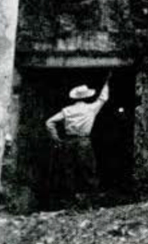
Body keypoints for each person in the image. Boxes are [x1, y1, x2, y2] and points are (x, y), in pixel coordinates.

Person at [45, 74, 110, 202]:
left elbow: (49, 122)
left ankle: (70, 200)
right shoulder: (91, 108)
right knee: (88, 169)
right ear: (87, 96)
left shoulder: (67, 110)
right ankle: (91, 200)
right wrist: (107, 83)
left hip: (68, 142)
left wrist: (55, 137)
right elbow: (103, 98)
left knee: (69, 170)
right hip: (84, 141)